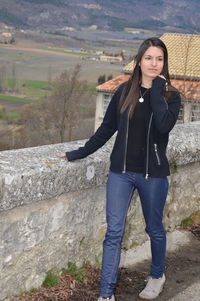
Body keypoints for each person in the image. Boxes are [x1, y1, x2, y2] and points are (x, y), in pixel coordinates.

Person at [58, 37, 181, 301]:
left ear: (164, 62)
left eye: (159, 58)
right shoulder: (124, 91)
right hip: (121, 173)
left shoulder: (171, 96)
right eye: (149, 57)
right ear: (139, 60)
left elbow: (163, 126)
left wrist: (158, 90)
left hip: (154, 175)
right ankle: (106, 293)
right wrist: (77, 153)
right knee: (114, 232)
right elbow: (105, 129)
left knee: (155, 229)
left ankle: (157, 275)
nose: (154, 63)